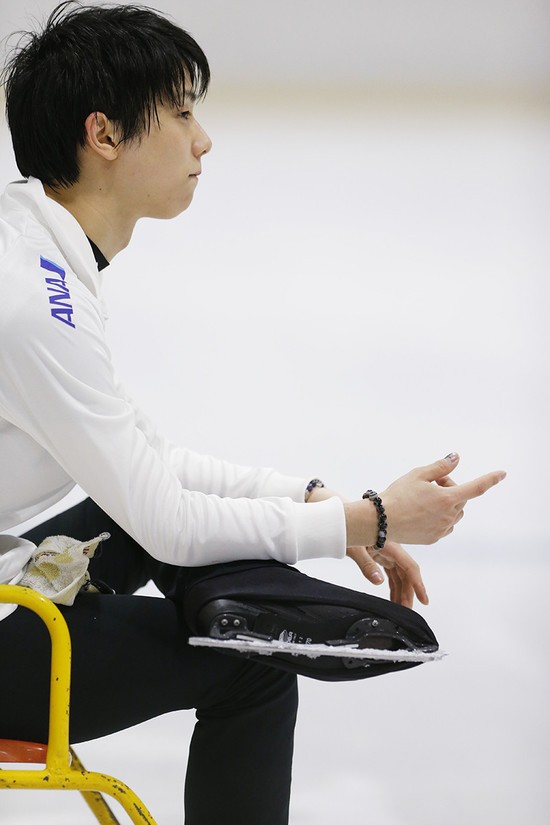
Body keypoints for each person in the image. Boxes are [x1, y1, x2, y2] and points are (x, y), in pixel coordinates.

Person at [0, 3, 505, 823]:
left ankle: (278, 591)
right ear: (105, 135)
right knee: (251, 667)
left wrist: (326, 508)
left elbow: (149, 460)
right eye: (183, 111)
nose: (203, 140)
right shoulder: (37, 306)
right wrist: (368, 519)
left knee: (143, 520)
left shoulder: (32, 252)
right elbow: (167, 521)